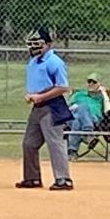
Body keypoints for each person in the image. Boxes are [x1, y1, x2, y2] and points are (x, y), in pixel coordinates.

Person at [16, 28, 74, 191]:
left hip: (52, 106)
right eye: (32, 44)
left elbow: (63, 87)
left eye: (38, 44)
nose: (34, 47)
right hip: (37, 106)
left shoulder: (54, 61)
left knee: (55, 143)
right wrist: (32, 95)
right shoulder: (34, 61)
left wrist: (41, 96)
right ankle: (32, 178)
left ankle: (64, 179)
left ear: (48, 44)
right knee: (29, 143)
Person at [66, 72, 110, 159]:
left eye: (94, 82)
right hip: (72, 117)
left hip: (93, 119)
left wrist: (104, 93)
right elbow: (67, 108)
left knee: (77, 121)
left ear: (99, 84)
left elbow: (108, 110)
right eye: (89, 82)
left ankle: (72, 152)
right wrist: (77, 107)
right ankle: (88, 134)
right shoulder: (79, 94)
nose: (91, 84)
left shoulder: (101, 97)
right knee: (81, 108)